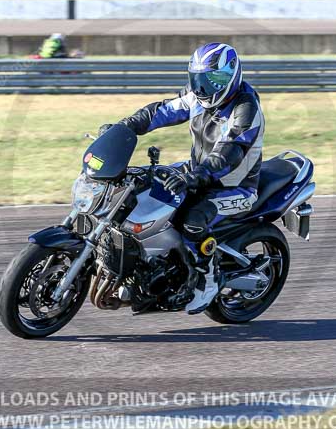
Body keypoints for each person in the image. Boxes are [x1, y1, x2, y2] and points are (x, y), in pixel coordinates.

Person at [101, 43, 264, 314]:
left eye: (214, 80)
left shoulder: (245, 109)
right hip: (197, 172)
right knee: (139, 185)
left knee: (192, 220)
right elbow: (160, 111)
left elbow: (230, 151)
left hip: (235, 186)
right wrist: (124, 127)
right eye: (199, 80)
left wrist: (198, 176)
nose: (205, 88)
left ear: (232, 75)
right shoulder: (196, 98)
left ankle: (207, 279)